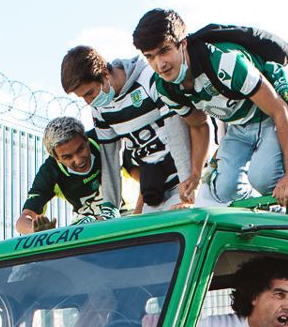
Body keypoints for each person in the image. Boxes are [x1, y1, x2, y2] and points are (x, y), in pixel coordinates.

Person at [133, 9, 288, 208]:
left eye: (164, 51)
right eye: (150, 57)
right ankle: (270, 214)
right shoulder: (164, 87)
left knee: (264, 178)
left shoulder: (224, 61)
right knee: (224, 188)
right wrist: (195, 174)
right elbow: (198, 125)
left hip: (273, 114)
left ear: (183, 43)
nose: (159, 64)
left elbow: (279, 111)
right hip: (238, 125)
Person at [60, 46, 194, 211]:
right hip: (154, 188)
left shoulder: (148, 78)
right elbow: (110, 159)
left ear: (104, 74)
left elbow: (178, 132)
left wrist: (188, 183)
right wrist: (109, 208)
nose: (89, 102)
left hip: (184, 181)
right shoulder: (99, 108)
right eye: (83, 97)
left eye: (90, 93)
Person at [13, 117, 123, 234]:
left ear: (86, 139)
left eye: (80, 149)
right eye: (68, 157)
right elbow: (23, 220)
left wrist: (138, 214)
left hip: (126, 216)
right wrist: (36, 230)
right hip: (86, 227)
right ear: (57, 159)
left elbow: (143, 176)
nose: (78, 160)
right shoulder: (50, 171)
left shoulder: (104, 139)